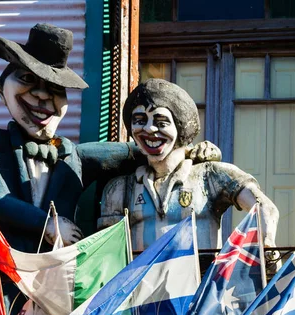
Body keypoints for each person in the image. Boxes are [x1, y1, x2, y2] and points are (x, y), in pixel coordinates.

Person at [0, 24, 221, 254]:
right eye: (27, 79)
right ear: (2, 89)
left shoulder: (74, 155)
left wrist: (188, 151)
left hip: (59, 275)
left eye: (55, 88)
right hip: (3, 269)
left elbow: (138, 150)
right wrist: (48, 224)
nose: (41, 95)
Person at [98, 78, 279, 251]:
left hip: (199, 280)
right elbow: (107, 250)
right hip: (141, 282)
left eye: (161, 122)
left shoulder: (211, 176)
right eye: (140, 120)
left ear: (181, 126)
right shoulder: (119, 189)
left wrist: (266, 244)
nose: (149, 129)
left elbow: (263, 207)